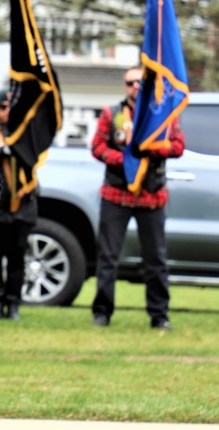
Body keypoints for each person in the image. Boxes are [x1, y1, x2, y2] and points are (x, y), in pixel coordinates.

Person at [90, 66, 184, 330]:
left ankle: (159, 315)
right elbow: (97, 146)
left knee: (156, 259)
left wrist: (152, 149)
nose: (135, 87)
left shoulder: (162, 115)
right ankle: (102, 313)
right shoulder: (112, 113)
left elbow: (178, 146)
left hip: (151, 196)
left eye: (139, 83)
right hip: (115, 194)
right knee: (108, 257)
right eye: (130, 83)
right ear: (124, 86)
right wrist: (126, 160)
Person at [0, 89, 38, 321]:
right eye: (3, 107)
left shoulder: (27, 136)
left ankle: (14, 303)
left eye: (11, 107)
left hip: (21, 207)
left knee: (17, 260)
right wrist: (1, 150)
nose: (7, 112)